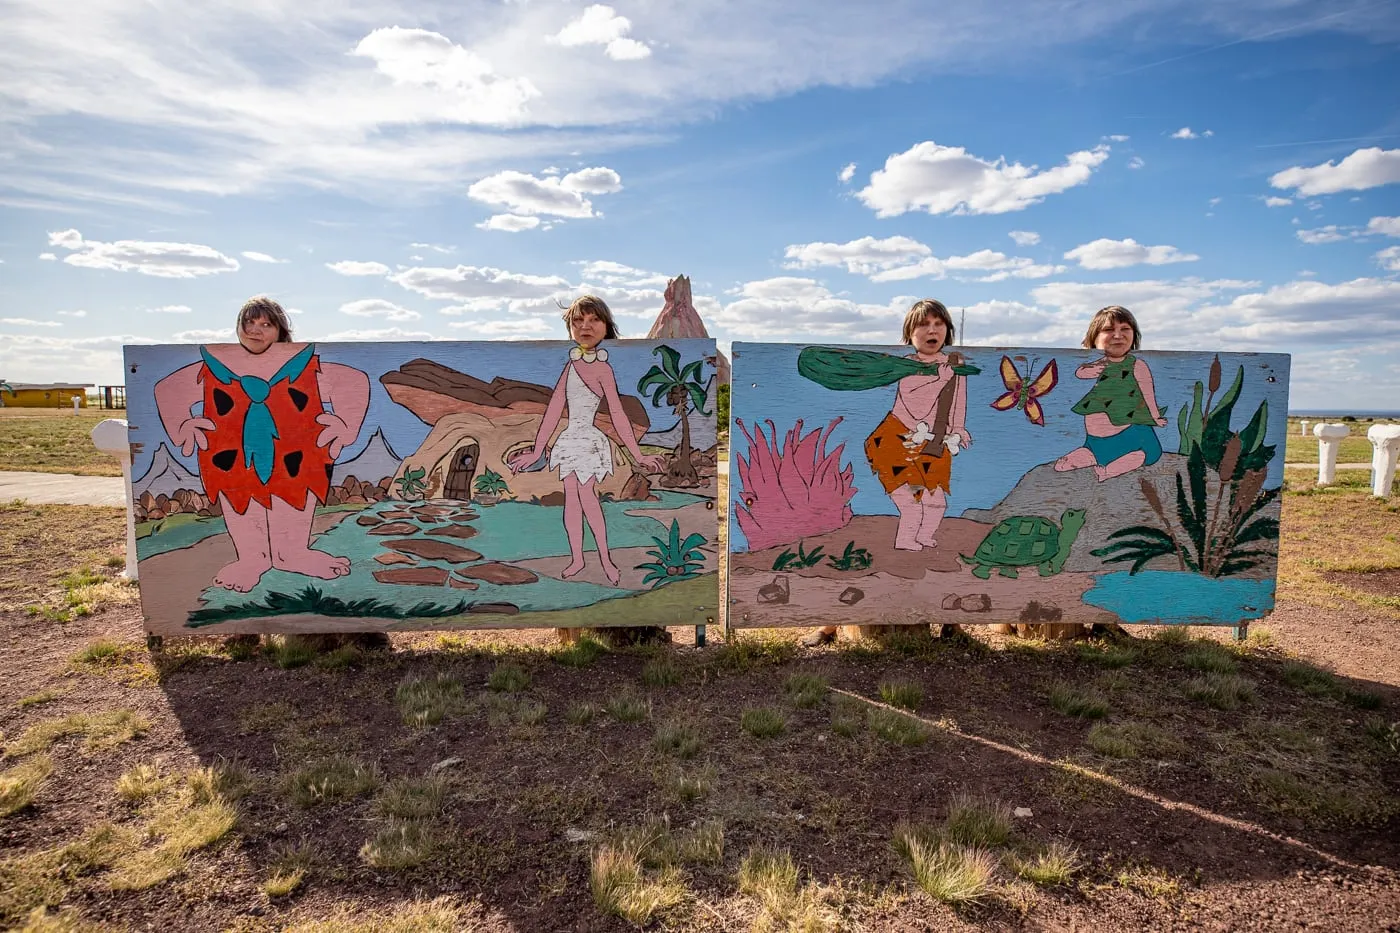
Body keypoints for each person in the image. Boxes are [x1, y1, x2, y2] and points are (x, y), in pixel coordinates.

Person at [154, 296, 370, 595]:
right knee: (242, 502)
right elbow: (168, 389)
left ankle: (292, 554)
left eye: (266, 324)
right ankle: (252, 560)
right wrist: (182, 426)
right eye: (249, 323)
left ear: (280, 330)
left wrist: (346, 426)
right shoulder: (215, 365)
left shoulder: (304, 363)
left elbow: (353, 381)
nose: (256, 330)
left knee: (293, 500)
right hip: (230, 456)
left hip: (296, 454)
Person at [507, 296, 665, 588]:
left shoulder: (603, 368)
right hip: (570, 440)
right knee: (571, 500)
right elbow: (554, 409)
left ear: (607, 325)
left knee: (587, 496)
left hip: (590, 440)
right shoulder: (571, 364)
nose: (585, 326)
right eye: (577, 321)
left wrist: (637, 456)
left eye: (593, 320)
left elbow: (617, 413)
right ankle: (578, 558)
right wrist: (537, 451)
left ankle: (605, 560)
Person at [864, 298, 973, 551]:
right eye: (923, 325)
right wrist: (939, 380)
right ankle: (904, 540)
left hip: (933, 442)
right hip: (894, 440)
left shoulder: (955, 363)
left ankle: (923, 538)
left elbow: (959, 399)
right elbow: (916, 407)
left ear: (947, 331)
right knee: (911, 502)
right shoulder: (907, 366)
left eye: (938, 324)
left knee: (937, 503)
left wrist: (958, 427)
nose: (931, 330)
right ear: (909, 334)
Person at [1054, 305, 1167, 481]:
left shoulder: (1126, 365)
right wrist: (1154, 417)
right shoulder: (1117, 365)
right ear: (1094, 339)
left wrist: (1155, 415)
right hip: (1122, 435)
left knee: (1101, 452)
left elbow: (1148, 392)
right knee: (1150, 452)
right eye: (1108, 330)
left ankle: (1092, 461)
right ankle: (1103, 467)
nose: (1117, 335)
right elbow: (1081, 372)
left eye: (1125, 329)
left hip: (1106, 436)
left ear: (1134, 336)